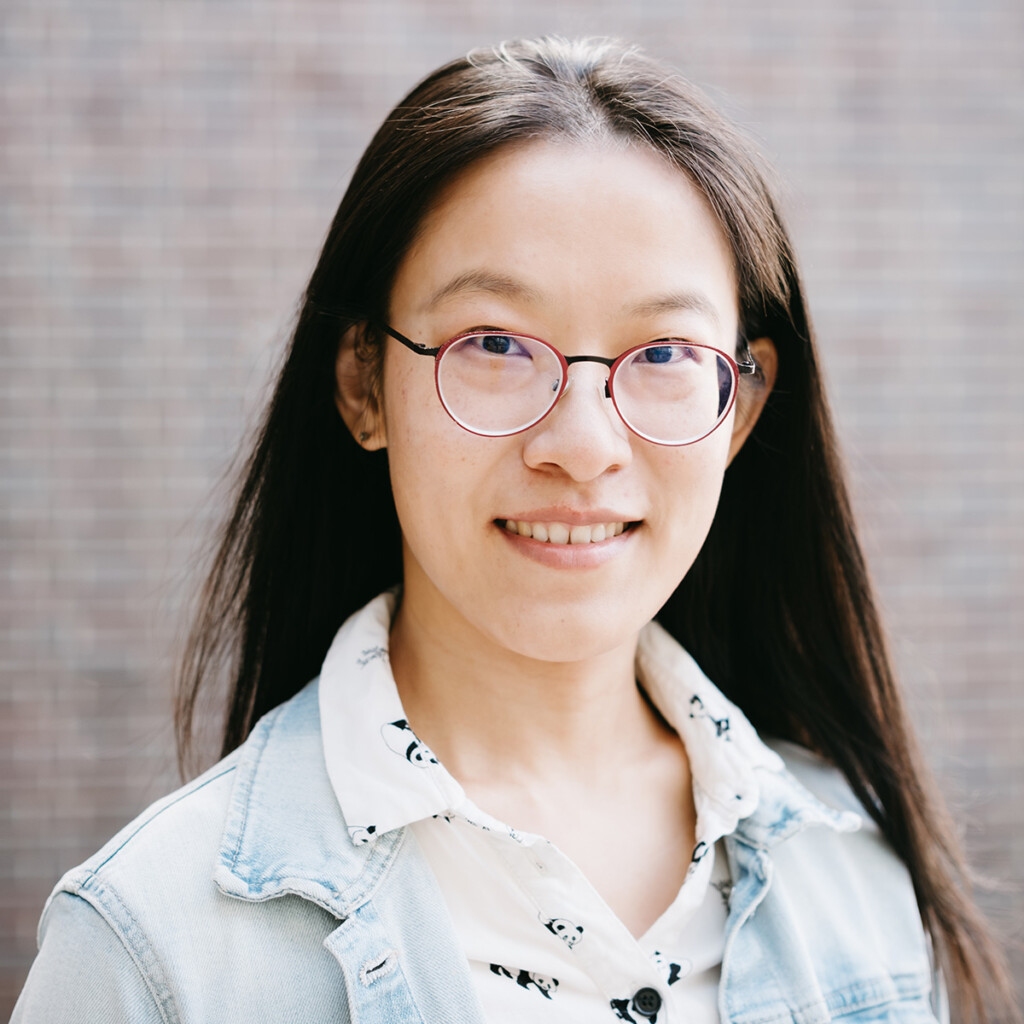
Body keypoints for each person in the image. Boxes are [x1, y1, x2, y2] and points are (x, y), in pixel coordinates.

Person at [13, 36, 1017, 1024]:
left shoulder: (854, 873)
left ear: (741, 408)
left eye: (664, 353)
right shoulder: (154, 949)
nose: (581, 445)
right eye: (494, 343)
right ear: (364, 383)